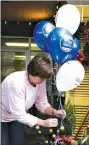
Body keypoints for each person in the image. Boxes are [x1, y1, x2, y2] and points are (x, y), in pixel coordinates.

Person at [1, 55, 66, 145]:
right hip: (2, 116)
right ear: (31, 73)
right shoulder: (16, 82)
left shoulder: (40, 82)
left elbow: (42, 104)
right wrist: (43, 122)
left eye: (45, 79)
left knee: (17, 142)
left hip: (16, 117)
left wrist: (54, 111)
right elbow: (18, 114)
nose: (43, 81)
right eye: (41, 78)